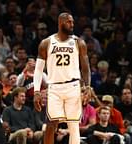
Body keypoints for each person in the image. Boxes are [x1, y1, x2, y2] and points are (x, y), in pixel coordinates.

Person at [33, 12, 91, 144]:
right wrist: (37, 91)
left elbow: (86, 68)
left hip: (73, 86)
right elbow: (38, 69)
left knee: (73, 124)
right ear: (60, 23)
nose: (72, 25)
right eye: (69, 22)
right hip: (54, 87)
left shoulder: (79, 42)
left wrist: (87, 86)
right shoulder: (46, 43)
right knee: (51, 123)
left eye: (72, 22)